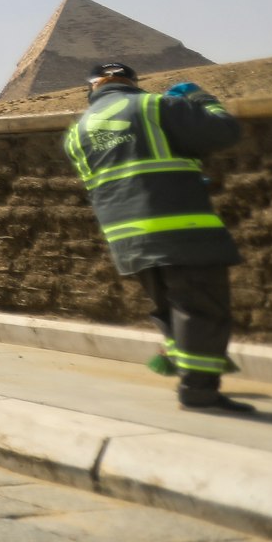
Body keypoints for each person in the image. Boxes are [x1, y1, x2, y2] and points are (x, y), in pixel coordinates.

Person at [64, 63, 251, 413]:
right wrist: (202, 100)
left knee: (169, 310)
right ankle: (199, 391)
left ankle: (186, 369)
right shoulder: (157, 106)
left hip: (126, 238)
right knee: (201, 310)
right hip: (182, 229)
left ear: (92, 89)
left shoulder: (78, 132)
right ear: (132, 82)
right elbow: (224, 132)